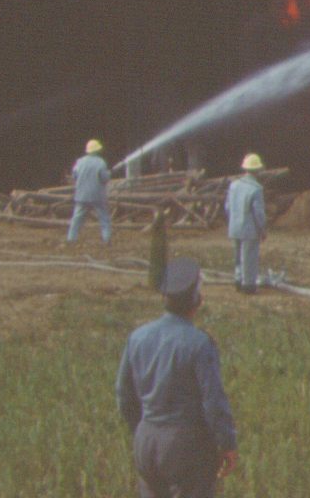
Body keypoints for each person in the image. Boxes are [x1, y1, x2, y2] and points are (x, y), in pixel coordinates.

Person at [117, 258, 239, 498]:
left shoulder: (137, 337)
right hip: (185, 445)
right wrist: (227, 443)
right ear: (197, 300)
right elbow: (213, 403)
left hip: (146, 440)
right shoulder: (199, 344)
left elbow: (124, 394)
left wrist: (142, 428)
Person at [225, 154, 267, 294]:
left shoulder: (233, 185)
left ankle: (238, 280)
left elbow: (227, 207)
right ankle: (248, 285)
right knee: (249, 258)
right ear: (257, 170)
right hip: (249, 229)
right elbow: (258, 213)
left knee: (237, 256)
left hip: (234, 227)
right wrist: (262, 229)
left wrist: (232, 220)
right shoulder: (256, 189)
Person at [67, 138, 113, 244]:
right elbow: (104, 179)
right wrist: (108, 174)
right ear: (97, 150)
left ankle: (71, 239)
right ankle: (106, 239)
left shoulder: (79, 162)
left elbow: (74, 176)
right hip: (97, 196)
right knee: (104, 219)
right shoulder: (101, 162)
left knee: (76, 219)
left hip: (81, 195)